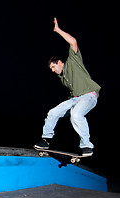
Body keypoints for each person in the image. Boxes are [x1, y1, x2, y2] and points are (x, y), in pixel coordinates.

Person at [34, 18, 101, 156]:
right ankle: (46, 140)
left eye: (53, 67)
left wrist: (58, 30)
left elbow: (73, 42)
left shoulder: (73, 61)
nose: (53, 70)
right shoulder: (62, 78)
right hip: (74, 99)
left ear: (60, 62)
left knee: (76, 115)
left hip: (89, 95)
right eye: (51, 69)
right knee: (52, 113)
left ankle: (87, 146)